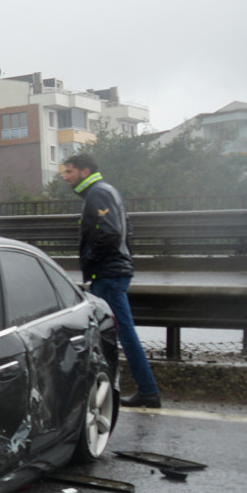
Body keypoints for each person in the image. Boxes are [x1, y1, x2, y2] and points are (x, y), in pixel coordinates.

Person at [60, 153, 160, 408]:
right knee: (113, 332)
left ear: (84, 171)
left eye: (69, 171)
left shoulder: (98, 193)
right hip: (112, 272)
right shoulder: (107, 191)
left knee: (120, 333)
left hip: (108, 274)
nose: (65, 176)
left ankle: (146, 391)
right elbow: (127, 229)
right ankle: (134, 389)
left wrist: (90, 259)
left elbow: (111, 232)